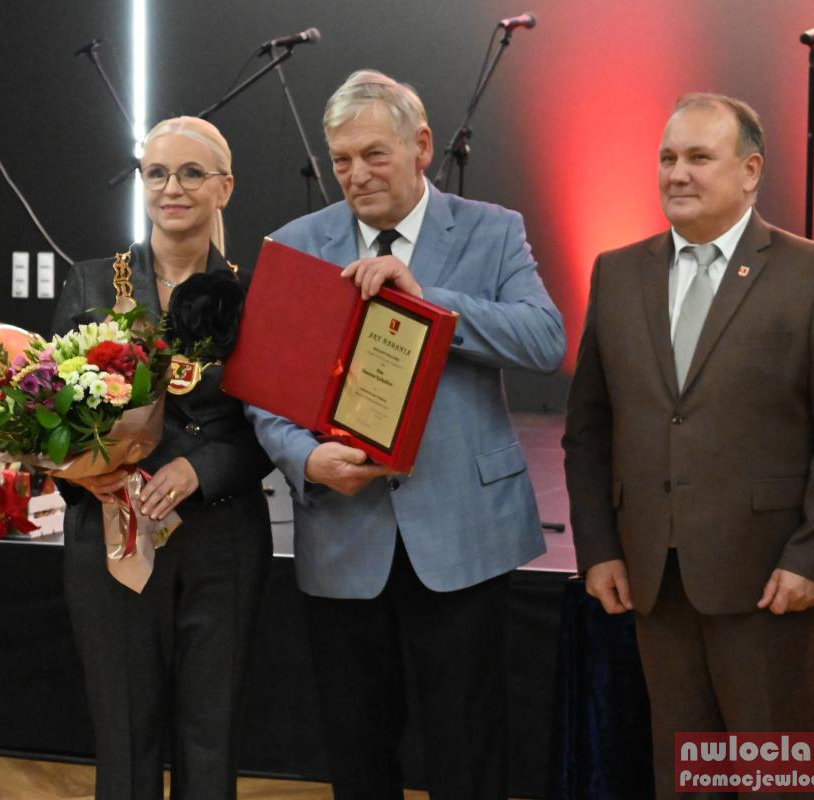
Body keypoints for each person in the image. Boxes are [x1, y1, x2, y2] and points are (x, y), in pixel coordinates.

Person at [246, 70, 565, 800]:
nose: (356, 174)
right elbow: (265, 396)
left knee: (469, 746)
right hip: (342, 534)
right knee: (357, 749)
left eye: (374, 155)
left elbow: (546, 340)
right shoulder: (298, 245)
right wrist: (307, 459)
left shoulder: (491, 230)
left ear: (421, 146)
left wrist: (432, 303)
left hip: (463, 533)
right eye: (342, 160)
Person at [562, 93, 814, 798]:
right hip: (653, 574)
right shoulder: (616, 272)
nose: (677, 173)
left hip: (769, 580)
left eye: (699, 157)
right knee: (682, 777)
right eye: (668, 157)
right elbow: (589, 427)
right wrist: (600, 547)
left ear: (750, 170)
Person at [51, 116, 274, 799]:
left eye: (191, 173)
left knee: (212, 736)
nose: (171, 188)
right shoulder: (92, 283)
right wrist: (92, 473)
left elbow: (274, 429)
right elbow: (48, 413)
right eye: (157, 173)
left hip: (222, 538)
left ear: (225, 187)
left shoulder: (257, 293)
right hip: (113, 536)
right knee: (124, 737)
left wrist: (200, 469)